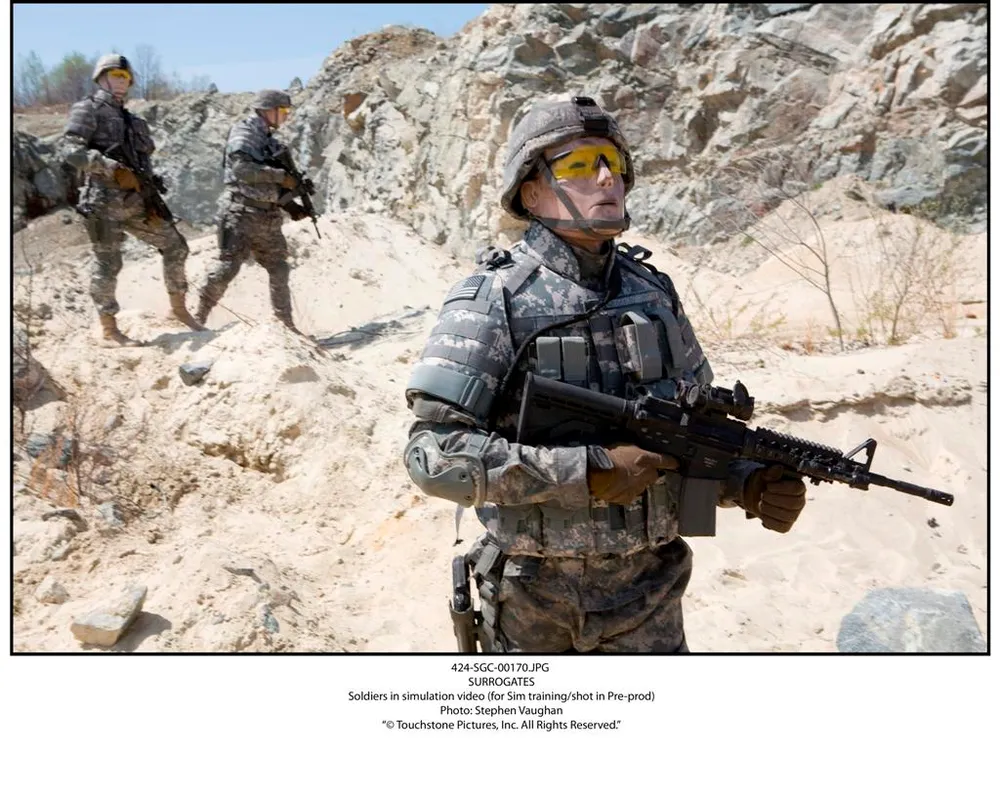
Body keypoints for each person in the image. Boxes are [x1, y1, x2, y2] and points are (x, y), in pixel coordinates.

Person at [402, 96, 808, 653]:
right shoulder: (494, 299)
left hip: (651, 594)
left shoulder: (652, 293)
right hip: (533, 601)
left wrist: (745, 482)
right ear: (531, 191)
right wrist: (587, 471)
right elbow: (434, 457)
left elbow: (684, 436)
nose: (605, 177)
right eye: (578, 164)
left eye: (613, 162)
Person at [61, 53, 201, 345]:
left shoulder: (134, 120)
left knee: (176, 246)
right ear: (101, 78)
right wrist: (111, 168)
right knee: (108, 263)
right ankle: (109, 328)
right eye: (116, 75)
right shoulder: (87, 109)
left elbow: (142, 163)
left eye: (125, 77)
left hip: (138, 203)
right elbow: (71, 151)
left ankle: (178, 309)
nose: (121, 82)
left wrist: (149, 183)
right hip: (102, 204)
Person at [195, 89, 311, 332]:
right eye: (283, 110)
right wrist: (281, 176)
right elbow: (242, 170)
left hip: (268, 217)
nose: (287, 116)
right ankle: (198, 317)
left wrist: (293, 206)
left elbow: (272, 187)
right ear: (269, 110)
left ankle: (285, 325)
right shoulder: (245, 132)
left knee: (279, 267)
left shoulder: (271, 141)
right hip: (241, 214)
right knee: (228, 268)